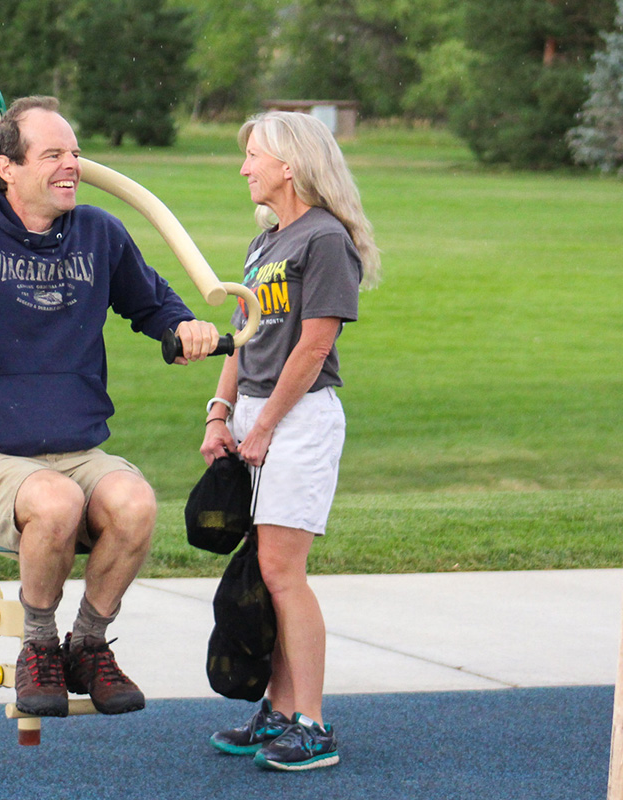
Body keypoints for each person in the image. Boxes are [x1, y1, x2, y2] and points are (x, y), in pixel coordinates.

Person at [0, 96, 220, 718]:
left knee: (133, 502)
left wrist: (185, 329)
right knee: (55, 498)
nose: (72, 165)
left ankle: (88, 642)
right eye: (53, 154)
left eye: (75, 153)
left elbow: (153, 304)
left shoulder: (99, 233)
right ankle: (38, 646)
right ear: (7, 167)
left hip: (76, 450)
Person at [199, 110, 380, 771]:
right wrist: (220, 414)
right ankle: (277, 711)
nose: (244, 167)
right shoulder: (267, 241)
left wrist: (267, 424)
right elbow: (240, 334)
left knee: (282, 572)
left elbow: (315, 346)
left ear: (289, 165)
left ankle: (313, 722)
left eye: (253, 155)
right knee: (265, 570)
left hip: (298, 419)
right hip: (254, 415)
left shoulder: (324, 240)